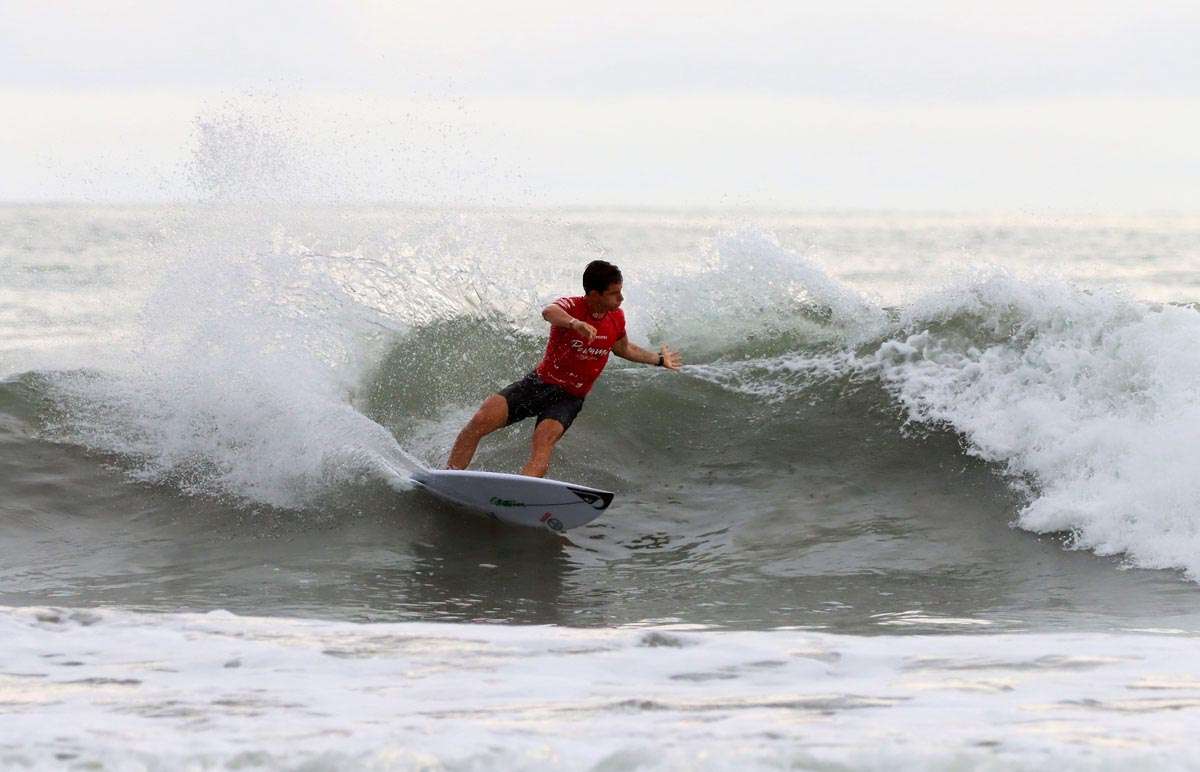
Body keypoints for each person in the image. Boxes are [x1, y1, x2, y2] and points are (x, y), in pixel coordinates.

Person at [447, 260, 682, 477]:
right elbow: (548, 312)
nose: (620, 299)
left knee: (543, 442)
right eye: (614, 293)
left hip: (569, 398)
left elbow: (623, 349)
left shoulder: (616, 317)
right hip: (539, 384)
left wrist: (659, 360)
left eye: (620, 292)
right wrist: (574, 323)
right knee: (479, 421)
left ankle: (517, 496)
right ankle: (449, 476)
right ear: (594, 294)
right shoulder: (571, 307)